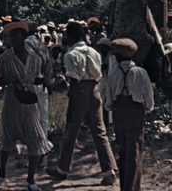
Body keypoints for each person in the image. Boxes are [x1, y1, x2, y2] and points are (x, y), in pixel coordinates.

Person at [46, 22, 118, 185]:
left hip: (80, 90)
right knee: (100, 131)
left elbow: (74, 79)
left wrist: (72, 97)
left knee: (71, 129)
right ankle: (109, 170)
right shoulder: (93, 51)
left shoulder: (71, 54)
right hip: (94, 89)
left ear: (70, 36)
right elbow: (98, 74)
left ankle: (62, 169)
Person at [0, 22, 53, 191]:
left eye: (15, 36)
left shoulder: (35, 59)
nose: (12, 39)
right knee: (8, 138)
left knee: (35, 137)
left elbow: (36, 77)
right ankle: (2, 171)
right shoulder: (5, 58)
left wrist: (47, 83)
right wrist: (9, 81)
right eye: (10, 36)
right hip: (12, 101)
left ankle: (30, 179)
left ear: (23, 37)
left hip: (29, 101)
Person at [102, 39, 154, 191]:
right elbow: (149, 99)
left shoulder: (114, 73)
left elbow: (109, 100)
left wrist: (112, 108)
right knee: (135, 149)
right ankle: (132, 187)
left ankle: (125, 186)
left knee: (123, 149)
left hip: (119, 112)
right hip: (135, 111)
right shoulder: (141, 73)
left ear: (118, 56)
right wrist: (145, 109)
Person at [24, 21, 56, 167]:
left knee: (29, 122)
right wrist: (49, 84)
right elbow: (49, 66)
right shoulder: (42, 45)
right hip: (42, 83)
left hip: (28, 86)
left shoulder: (23, 45)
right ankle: (43, 157)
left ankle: (32, 155)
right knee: (43, 120)